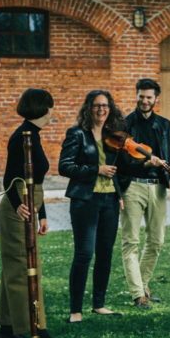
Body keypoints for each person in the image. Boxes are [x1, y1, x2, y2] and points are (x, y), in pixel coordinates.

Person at [0, 89, 63, 338]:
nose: (52, 111)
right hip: (17, 207)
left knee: (14, 267)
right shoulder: (23, 136)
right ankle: (37, 329)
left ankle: (7, 328)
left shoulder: (32, 134)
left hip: (27, 202)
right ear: (42, 109)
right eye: (50, 106)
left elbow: (35, 179)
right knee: (24, 267)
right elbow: (10, 178)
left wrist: (42, 213)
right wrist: (19, 206)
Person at [59, 89, 124, 323]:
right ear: (88, 108)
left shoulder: (112, 135)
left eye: (105, 105)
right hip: (85, 200)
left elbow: (118, 168)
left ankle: (99, 304)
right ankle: (75, 309)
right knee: (84, 254)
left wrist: (120, 193)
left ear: (110, 108)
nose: (101, 109)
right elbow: (65, 166)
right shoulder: (77, 134)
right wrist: (96, 170)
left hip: (109, 201)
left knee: (105, 254)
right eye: (96, 105)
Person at [116, 78, 170, 310]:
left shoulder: (164, 125)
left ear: (156, 99)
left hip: (159, 187)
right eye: (141, 96)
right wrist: (143, 164)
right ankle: (137, 294)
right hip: (133, 185)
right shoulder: (125, 125)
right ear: (137, 96)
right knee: (130, 241)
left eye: (149, 97)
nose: (144, 101)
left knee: (156, 241)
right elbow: (121, 162)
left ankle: (143, 285)